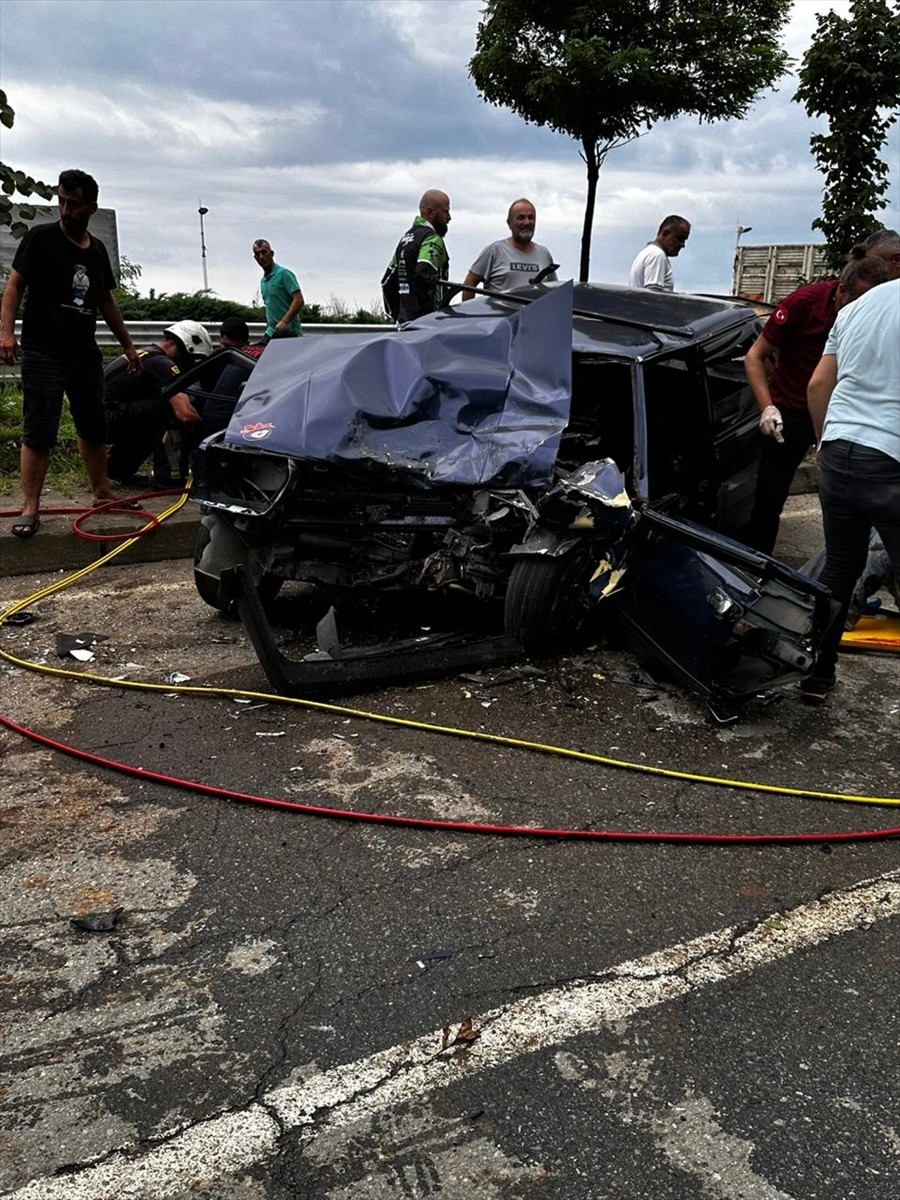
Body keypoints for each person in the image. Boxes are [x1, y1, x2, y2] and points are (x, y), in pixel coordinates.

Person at [0, 168, 140, 538]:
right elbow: (15, 286)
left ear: (91, 207)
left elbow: (106, 301)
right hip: (43, 350)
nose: (65, 210)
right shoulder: (40, 239)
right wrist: (6, 333)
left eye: (74, 204)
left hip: (83, 353)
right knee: (39, 427)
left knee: (94, 425)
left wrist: (128, 346)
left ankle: (102, 492)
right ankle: (31, 507)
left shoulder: (96, 251)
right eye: (61, 201)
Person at [741, 256, 889, 555]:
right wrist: (767, 407)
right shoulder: (803, 304)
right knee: (769, 501)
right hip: (791, 414)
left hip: (844, 416)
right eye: (858, 301)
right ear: (842, 293)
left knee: (849, 507)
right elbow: (755, 357)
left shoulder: (876, 316)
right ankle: (756, 570)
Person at [803, 275, 899, 704]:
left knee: (840, 568)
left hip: (840, 449)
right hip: (889, 455)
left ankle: (817, 676)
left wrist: (825, 444)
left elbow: (817, 385)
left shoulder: (856, 308)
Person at [103, 320, 213, 484]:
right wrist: (205, 433)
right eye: (192, 359)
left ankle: (119, 470)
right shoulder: (162, 363)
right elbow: (185, 415)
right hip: (109, 418)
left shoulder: (146, 353)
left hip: (99, 417)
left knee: (150, 418)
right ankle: (170, 475)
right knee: (168, 409)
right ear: (185, 347)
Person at [461, 198, 557, 298]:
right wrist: (470, 313)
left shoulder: (544, 254)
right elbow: (469, 285)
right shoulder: (495, 251)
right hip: (502, 313)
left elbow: (554, 291)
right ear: (509, 223)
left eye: (531, 217)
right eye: (521, 218)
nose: (527, 222)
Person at [381, 189, 451, 323]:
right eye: (445, 211)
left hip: (404, 325)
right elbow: (423, 274)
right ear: (430, 212)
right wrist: (429, 317)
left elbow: (387, 283)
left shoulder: (405, 239)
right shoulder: (432, 239)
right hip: (429, 325)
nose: (449, 217)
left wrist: (399, 315)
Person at [251, 240, 304, 339]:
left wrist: (284, 321)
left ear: (271, 254)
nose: (261, 257)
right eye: (257, 254)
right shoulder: (263, 281)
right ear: (255, 258)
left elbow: (299, 300)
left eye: (264, 252)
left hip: (289, 332)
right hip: (271, 332)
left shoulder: (284, 274)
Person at [628, 215, 691, 292]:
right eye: (680, 239)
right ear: (666, 233)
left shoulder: (647, 253)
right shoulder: (657, 255)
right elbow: (653, 295)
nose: (683, 245)